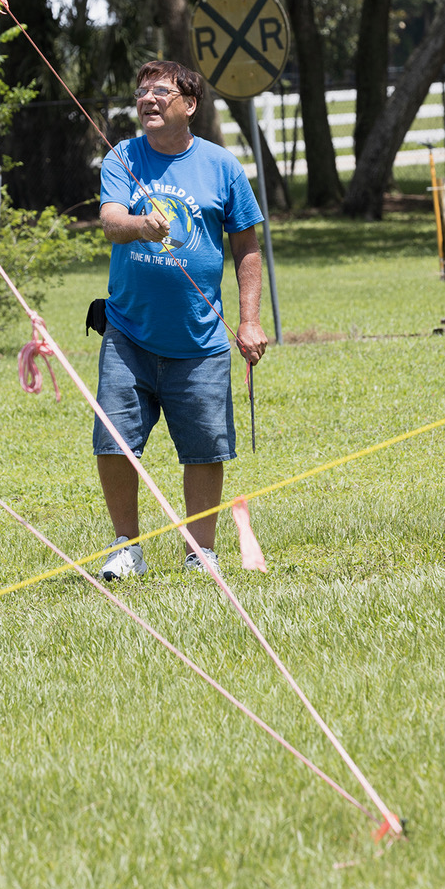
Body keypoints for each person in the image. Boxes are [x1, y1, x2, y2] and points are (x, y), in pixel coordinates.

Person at [93, 60, 268, 580]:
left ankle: (200, 550)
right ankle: (127, 545)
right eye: (142, 91)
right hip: (129, 331)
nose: (147, 99)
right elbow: (109, 220)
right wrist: (140, 225)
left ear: (189, 105)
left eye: (160, 92)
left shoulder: (221, 166)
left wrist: (250, 320)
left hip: (200, 336)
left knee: (203, 447)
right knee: (114, 440)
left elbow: (247, 246)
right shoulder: (123, 157)